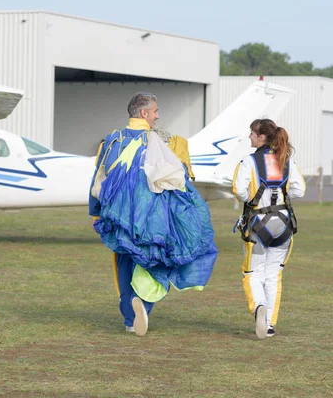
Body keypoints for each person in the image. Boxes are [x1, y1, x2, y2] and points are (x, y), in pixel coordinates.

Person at [89, 92, 217, 336]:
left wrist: (96, 214)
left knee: (125, 261)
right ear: (143, 113)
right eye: (155, 111)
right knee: (158, 262)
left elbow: (98, 176)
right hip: (154, 219)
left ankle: (129, 317)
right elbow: (182, 178)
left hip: (119, 219)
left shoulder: (111, 141)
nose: (158, 116)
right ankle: (143, 303)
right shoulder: (167, 142)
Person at [233, 119, 305, 339]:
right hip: (283, 223)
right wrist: (282, 197)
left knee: (253, 273)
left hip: (258, 222)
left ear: (262, 137)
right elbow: (299, 190)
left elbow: (239, 190)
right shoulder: (286, 160)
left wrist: (254, 200)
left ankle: (259, 308)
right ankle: (270, 324)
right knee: (274, 275)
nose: (250, 137)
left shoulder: (249, 161)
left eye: (252, 134)